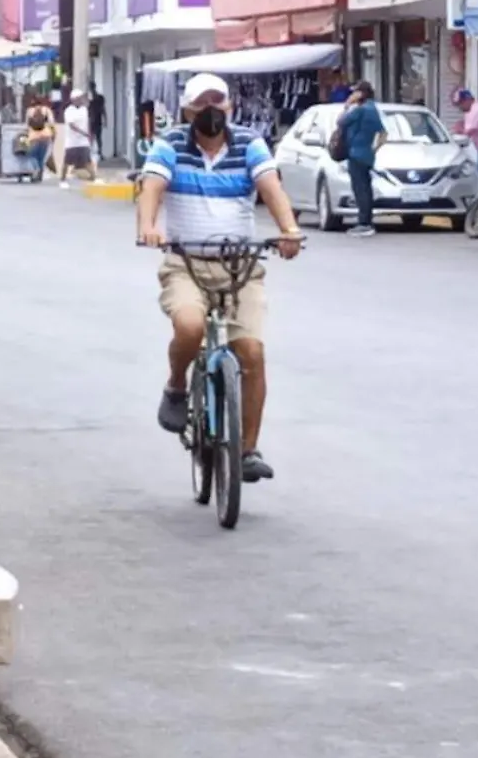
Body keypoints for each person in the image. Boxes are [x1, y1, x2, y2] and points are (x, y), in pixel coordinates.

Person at [136, 72, 303, 483]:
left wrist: (290, 230)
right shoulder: (171, 144)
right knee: (190, 326)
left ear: (229, 107)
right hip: (186, 261)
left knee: (251, 353)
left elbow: (270, 187)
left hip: (241, 266)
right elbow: (152, 186)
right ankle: (177, 385)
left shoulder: (250, 143)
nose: (212, 112)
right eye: (202, 105)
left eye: (218, 103)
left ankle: (247, 449)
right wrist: (149, 226)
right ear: (189, 110)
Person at [337, 80, 388, 237]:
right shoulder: (373, 109)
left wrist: (347, 104)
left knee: (360, 189)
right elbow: (383, 134)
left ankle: (364, 222)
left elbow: (340, 121)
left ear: (362, 93)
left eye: (355, 92)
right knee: (365, 188)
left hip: (356, 153)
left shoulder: (360, 110)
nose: (353, 95)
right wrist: (373, 149)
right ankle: (367, 221)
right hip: (366, 154)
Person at [60, 89, 95, 188]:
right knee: (67, 162)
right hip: (72, 141)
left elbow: (87, 123)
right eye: (79, 98)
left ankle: (94, 177)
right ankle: (62, 180)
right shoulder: (69, 111)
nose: (81, 100)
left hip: (83, 141)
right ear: (74, 99)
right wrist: (84, 133)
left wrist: (89, 134)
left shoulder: (84, 109)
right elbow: (71, 125)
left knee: (87, 160)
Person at [24, 97, 55, 181]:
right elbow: (52, 123)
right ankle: (39, 176)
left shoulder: (29, 111)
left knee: (31, 155)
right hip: (46, 136)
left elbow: (27, 125)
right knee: (41, 157)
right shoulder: (47, 110)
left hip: (34, 137)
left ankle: (36, 169)